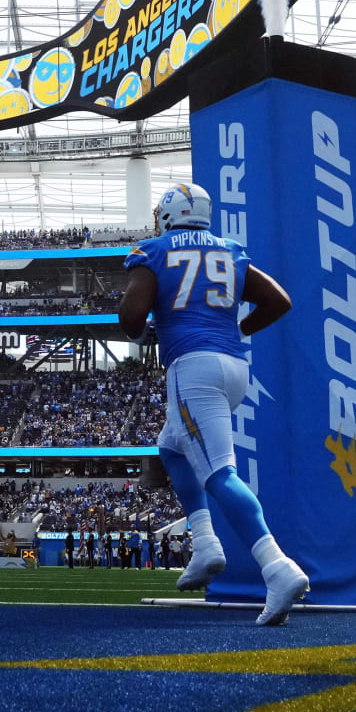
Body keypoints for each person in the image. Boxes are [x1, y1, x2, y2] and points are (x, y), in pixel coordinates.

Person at [119, 182, 309, 626]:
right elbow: (279, 301)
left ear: (167, 215)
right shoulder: (230, 250)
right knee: (170, 448)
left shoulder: (154, 249)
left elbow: (130, 319)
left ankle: (277, 567)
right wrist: (239, 327)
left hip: (193, 367)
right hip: (233, 366)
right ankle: (205, 544)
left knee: (220, 473)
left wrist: (148, 324)